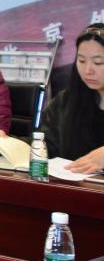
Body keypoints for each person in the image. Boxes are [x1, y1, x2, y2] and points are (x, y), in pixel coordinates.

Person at [42, 24, 104, 174]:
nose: (88, 70)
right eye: (81, 61)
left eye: (98, 62)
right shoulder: (64, 102)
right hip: (70, 185)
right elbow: (47, 145)